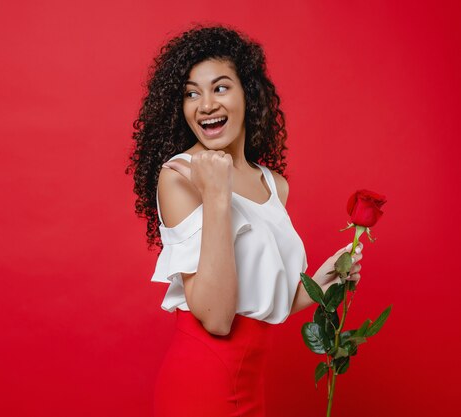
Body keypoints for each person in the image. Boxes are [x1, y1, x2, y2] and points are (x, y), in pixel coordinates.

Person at [127, 24, 363, 417]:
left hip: (250, 386)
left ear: (247, 95)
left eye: (220, 87)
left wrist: (325, 280)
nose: (205, 105)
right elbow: (218, 319)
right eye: (191, 93)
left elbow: (264, 303)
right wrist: (217, 194)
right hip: (200, 388)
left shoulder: (274, 185)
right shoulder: (180, 175)